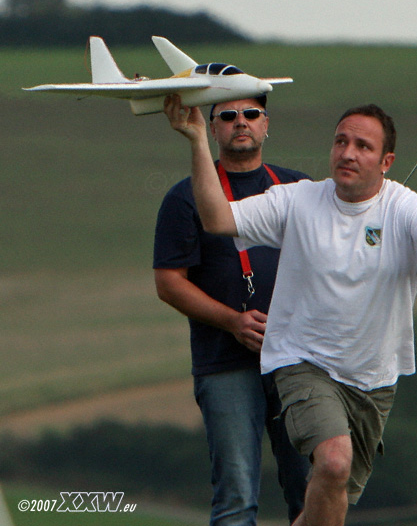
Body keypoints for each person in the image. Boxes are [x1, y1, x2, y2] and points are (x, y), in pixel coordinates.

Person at [162, 96, 417, 526]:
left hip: (373, 378)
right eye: (341, 142)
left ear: (386, 160)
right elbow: (218, 219)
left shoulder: (408, 208)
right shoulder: (298, 200)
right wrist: (195, 141)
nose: (348, 153)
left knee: (327, 500)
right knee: (334, 462)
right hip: (303, 362)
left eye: (362, 146)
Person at [154, 94, 310, 526]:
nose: (240, 123)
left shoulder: (298, 188)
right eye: (227, 116)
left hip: (298, 360)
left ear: (266, 124)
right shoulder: (185, 198)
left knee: (313, 489)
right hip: (225, 364)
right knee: (237, 498)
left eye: (251, 114)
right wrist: (232, 321)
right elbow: (168, 283)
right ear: (213, 127)